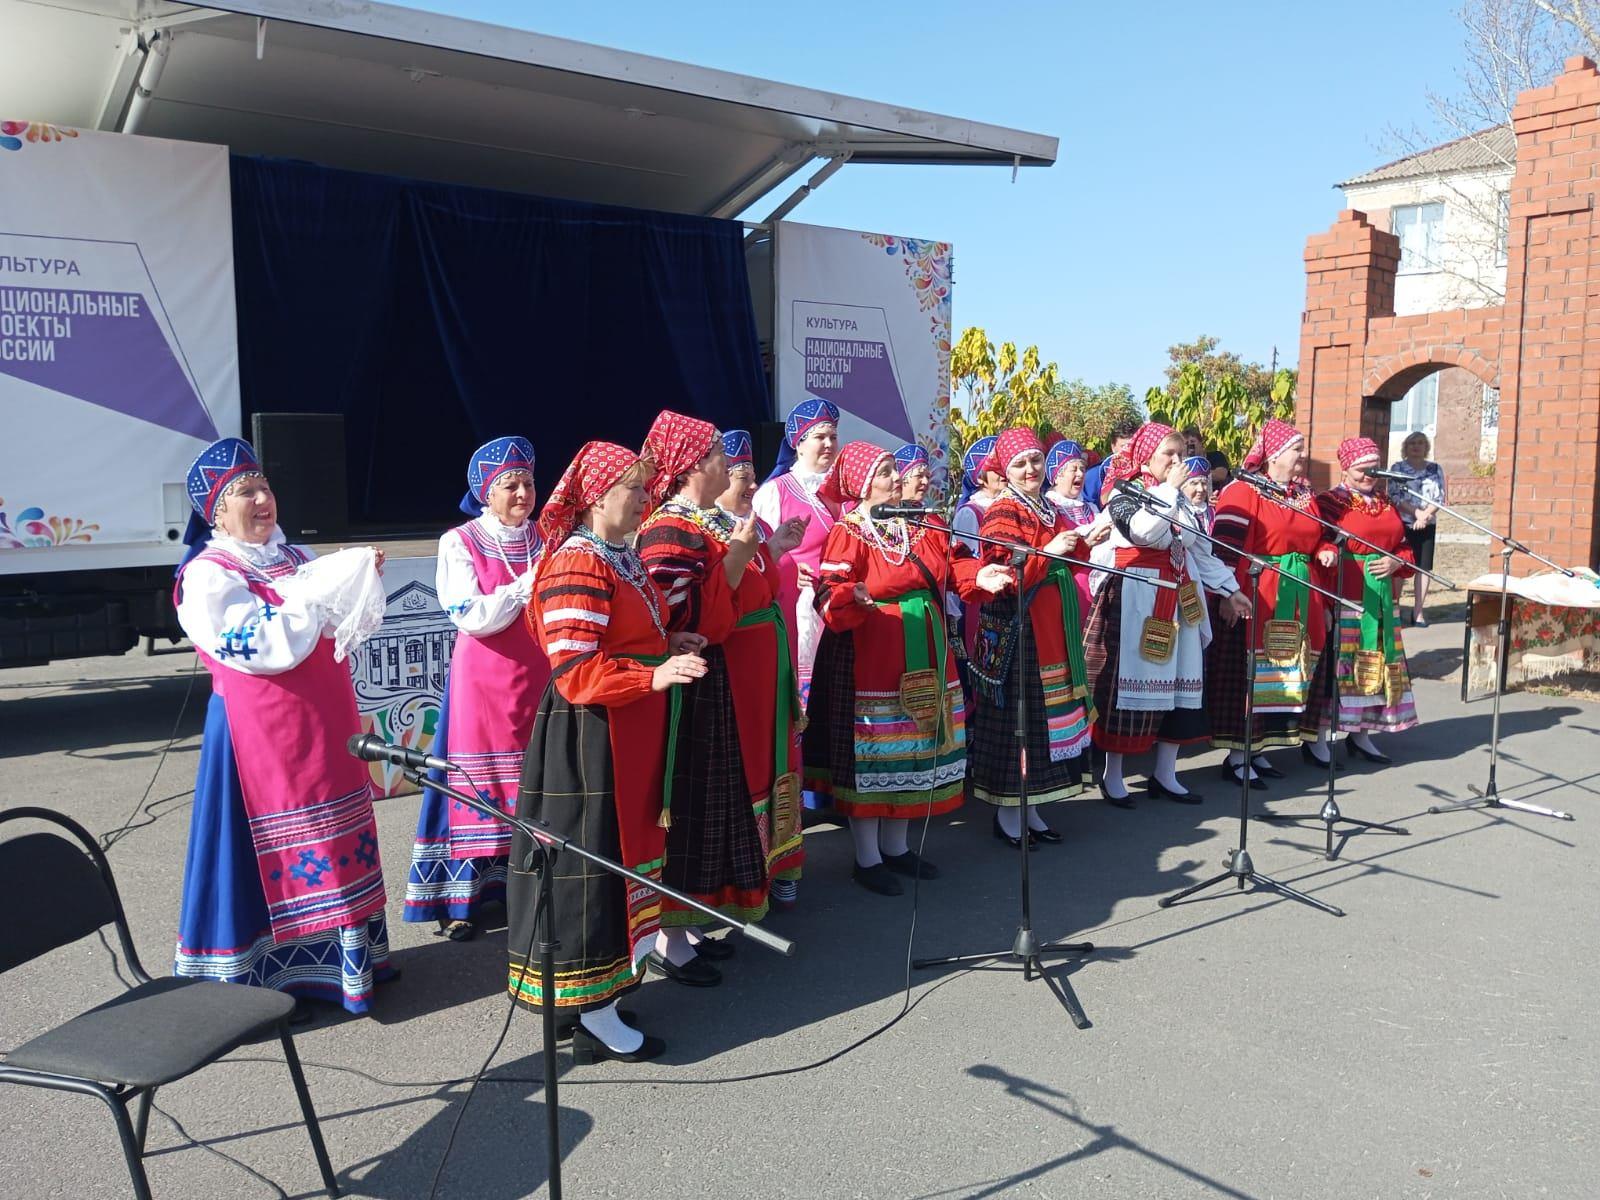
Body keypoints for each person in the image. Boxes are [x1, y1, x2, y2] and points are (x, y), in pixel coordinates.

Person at [173, 437, 394, 1016]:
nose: (262, 499)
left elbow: (338, 624)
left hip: (324, 727)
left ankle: (348, 965)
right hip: (258, 738)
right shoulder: (208, 575)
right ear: (216, 513)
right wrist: (321, 591)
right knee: (268, 849)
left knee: (336, 837)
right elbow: (261, 645)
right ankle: (263, 979)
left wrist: (351, 577)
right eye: (244, 492)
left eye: (264, 486)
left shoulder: (293, 559)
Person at [507, 441, 707, 1063]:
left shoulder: (617, 556)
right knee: (590, 869)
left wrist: (670, 640)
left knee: (614, 863)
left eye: (647, 489)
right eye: (635, 489)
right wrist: (653, 675)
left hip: (625, 730)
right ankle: (593, 1009)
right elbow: (576, 669)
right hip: (590, 737)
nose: (646, 499)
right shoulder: (578, 563)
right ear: (597, 496)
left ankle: (597, 999)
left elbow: (624, 632)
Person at [803, 441, 1011, 893]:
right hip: (871, 648)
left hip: (925, 643)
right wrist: (848, 596)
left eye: (895, 470)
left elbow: (955, 567)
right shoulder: (851, 531)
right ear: (861, 484)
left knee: (917, 742)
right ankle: (867, 857)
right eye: (884, 472)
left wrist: (982, 577)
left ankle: (896, 847)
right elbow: (829, 588)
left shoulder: (924, 521)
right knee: (875, 751)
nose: (895, 478)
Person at [636, 412, 799, 984]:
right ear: (689, 468)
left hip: (715, 679)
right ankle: (668, 936)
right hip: (693, 682)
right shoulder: (668, 530)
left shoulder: (703, 521)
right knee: (687, 806)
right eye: (714, 457)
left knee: (709, 806)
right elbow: (674, 619)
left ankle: (689, 923)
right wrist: (733, 557)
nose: (725, 466)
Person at [405, 436, 548, 942]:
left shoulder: (546, 537)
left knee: (533, 778)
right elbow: (469, 613)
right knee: (475, 778)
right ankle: (462, 899)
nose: (522, 493)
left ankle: (526, 887)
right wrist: (522, 586)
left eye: (528, 482)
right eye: (510, 485)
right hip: (485, 677)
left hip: (538, 674)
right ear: (486, 492)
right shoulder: (460, 540)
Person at [1084, 425, 1251, 806]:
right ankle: (1113, 775)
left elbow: (1201, 553)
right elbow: (1144, 531)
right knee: (1127, 687)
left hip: (1180, 595)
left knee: (1179, 685)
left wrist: (1232, 590)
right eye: (1168, 455)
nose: (1178, 462)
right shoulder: (1126, 495)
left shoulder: (1181, 503)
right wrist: (1170, 490)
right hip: (1138, 595)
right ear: (1145, 459)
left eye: (1180, 455)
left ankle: (1165, 773)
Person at [966, 428, 1096, 845]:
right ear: (1004, 470)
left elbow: (1061, 553)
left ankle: (1033, 808)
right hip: (1018, 628)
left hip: (1047, 629)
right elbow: (1004, 568)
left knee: (1042, 724)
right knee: (1019, 722)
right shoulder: (1004, 509)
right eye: (1019, 463)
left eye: (1035, 461)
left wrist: (1081, 543)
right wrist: (1051, 550)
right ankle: (1007, 815)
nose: (1029, 469)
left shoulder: (1043, 506)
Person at [1204, 419, 1332, 787]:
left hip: (1301, 592)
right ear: (1274, 455)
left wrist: (1323, 553)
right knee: (1255, 674)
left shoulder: (1303, 494)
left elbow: (1316, 537)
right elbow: (1223, 546)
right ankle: (1238, 756)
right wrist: (1227, 594)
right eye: (1297, 449)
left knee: (1288, 672)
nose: (1303, 456)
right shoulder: (1242, 491)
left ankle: (1259, 750)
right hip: (1258, 592)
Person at [713, 430, 810, 908]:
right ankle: (746, 873)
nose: (751, 485)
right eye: (740, 476)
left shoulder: (757, 526)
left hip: (773, 656)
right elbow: (721, 597)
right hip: (739, 662)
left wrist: (773, 551)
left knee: (780, 756)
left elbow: (761, 583)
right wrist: (760, 555)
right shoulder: (708, 529)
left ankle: (783, 862)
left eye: (753, 475)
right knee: (750, 763)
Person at [1304, 436, 1418, 764]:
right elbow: (1318, 543)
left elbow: (1404, 546)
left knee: (1374, 665)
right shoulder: (1330, 503)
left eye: (1374, 468)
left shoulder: (1385, 502)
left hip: (1379, 600)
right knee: (1340, 670)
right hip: (1345, 596)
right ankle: (1319, 740)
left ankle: (1361, 734)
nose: (1369, 475)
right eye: (1362, 469)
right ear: (1346, 467)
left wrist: (1397, 562)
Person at [751, 397, 841, 707]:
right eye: (819, 437)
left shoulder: (847, 494)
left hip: (840, 606)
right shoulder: (775, 492)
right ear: (798, 445)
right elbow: (760, 553)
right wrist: (788, 567)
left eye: (833, 436)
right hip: (799, 608)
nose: (828, 444)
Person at [1044, 438, 1112, 617]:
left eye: (1082, 468)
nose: (1080, 474)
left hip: (1097, 580)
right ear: (1058, 476)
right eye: (1073, 469)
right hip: (1068, 584)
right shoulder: (1049, 507)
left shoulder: (1091, 508)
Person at [1386, 432, 1446, 627]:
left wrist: (1425, 515)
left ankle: (1418, 612)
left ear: (1426, 446)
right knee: (1401, 565)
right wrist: (1416, 514)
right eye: (1412, 443)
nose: (1416, 446)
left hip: (1427, 523)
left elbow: (1439, 498)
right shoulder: (1398, 468)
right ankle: (1395, 609)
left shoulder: (1435, 469)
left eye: (1420, 443)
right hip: (1404, 522)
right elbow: (1394, 495)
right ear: (1406, 446)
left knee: (1424, 567)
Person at [1084, 419, 1139, 511]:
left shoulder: (1145, 472)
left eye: (1133, 446)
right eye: (1124, 447)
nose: (1129, 451)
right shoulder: (1094, 475)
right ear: (1113, 447)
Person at [1180, 455, 1217, 531]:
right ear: (1182, 486)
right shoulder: (1176, 513)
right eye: (1194, 483)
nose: (1200, 489)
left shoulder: (1213, 513)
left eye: (1204, 483)